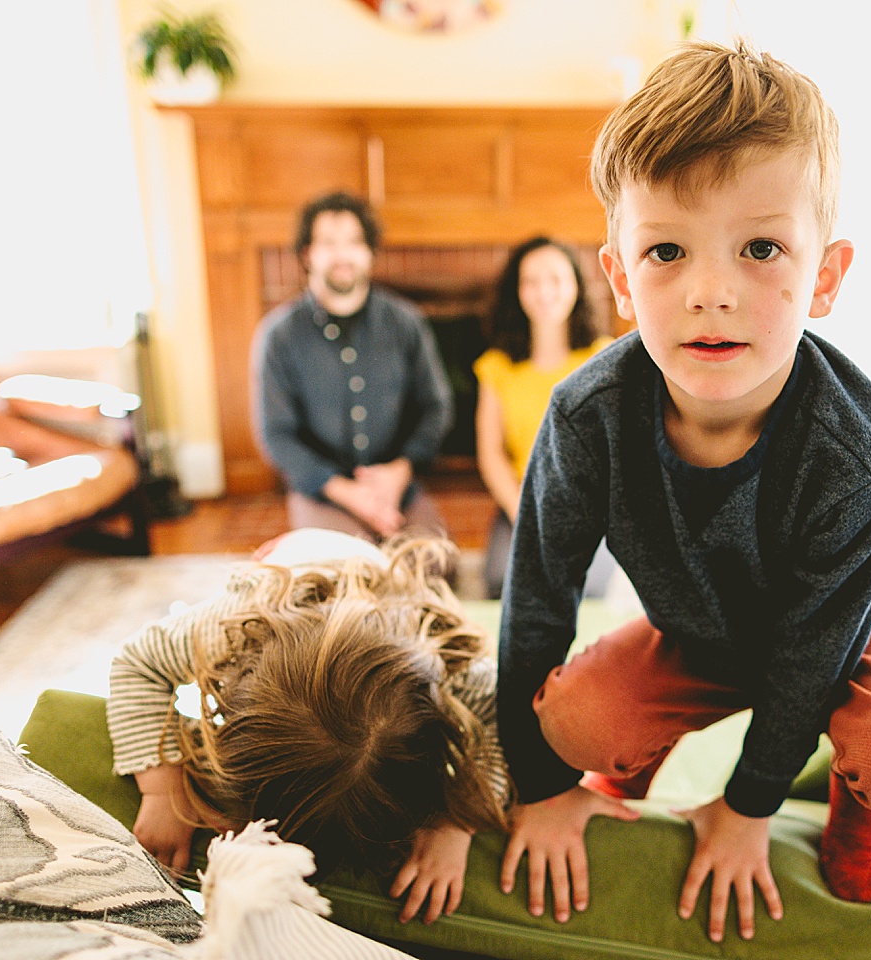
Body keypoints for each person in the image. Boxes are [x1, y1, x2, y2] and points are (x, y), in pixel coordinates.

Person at [495, 39, 871, 944]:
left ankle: (856, 794)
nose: (712, 292)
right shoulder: (585, 417)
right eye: (666, 251)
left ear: (827, 277)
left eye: (761, 247)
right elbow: (537, 597)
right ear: (618, 277)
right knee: (573, 723)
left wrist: (747, 806)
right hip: (700, 631)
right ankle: (631, 761)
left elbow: (812, 650)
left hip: (848, 636)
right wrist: (537, 790)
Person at [107, 527, 508, 925]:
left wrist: (454, 823)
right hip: (286, 561)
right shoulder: (231, 628)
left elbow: (503, 717)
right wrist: (162, 789)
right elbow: (137, 661)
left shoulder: (451, 672)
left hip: (385, 589)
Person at [252, 192, 454, 542]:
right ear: (307, 254)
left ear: (370, 252)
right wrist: (346, 491)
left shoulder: (406, 323)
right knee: (349, 571)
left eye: (354, 242)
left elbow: (436, 408)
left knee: (433, 563)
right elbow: (276, 433)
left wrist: (399, 472)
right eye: (328, 243)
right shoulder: (279, 335)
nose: (342, 254)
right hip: (322, 490)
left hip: (397, 485)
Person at [472, 236, 614, 599]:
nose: (543, 291)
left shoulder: (601, 357)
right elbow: (490, 453)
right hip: (522, 500)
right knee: (501, 581)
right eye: (531, 281)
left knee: (587, 587)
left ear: (576, 287)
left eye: (555, 279)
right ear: (517, 292)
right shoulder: (498, 366)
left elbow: (615, 448)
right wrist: (522, 511)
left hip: (588, 506)